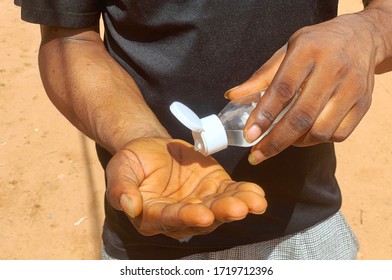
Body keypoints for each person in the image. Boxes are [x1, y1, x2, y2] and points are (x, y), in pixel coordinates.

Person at [15, 0, 392, 260]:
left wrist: (370, 32)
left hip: (305, 227)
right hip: (151, 230)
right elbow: (68, 39)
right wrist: (138, 135)